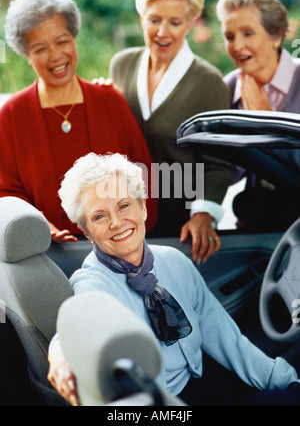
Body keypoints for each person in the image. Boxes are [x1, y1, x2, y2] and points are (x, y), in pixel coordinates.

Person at [48, 152, 300, 406]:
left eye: (124, 205)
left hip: (206, 377)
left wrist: (285, 379)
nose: (116, 222)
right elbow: (75, 325)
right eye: (99, 216)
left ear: (143, 208)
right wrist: (59, 354)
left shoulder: (174, 260)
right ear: (87, 232)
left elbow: (226, 337)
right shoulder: (94, 283)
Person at [0, 0, 157, 243]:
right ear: (26, 55)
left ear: (74, 39)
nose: (55, 56)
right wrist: (40, 227)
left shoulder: (109, 100)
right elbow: (6, 192)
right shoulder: (13, 114)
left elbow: (144, 174)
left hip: (120, 246)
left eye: (62, 41)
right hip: (45, 252)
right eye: (40, 49)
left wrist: (127, 231)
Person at [107, 0, 233, 264]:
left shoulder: (208, 81)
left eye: (174, 22)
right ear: (141, 19)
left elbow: (219, 165)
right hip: (124, 217)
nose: (162, 31)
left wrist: (203, 213)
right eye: (154, 20)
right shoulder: (121, 65)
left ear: (190, 23)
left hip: (178, 220)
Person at [216, 0, 300, 230]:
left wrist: (267, 123)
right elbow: (225, 172)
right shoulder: (230, 86)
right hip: (254, 227)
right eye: (229, 37)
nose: (237, 46)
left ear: (275, 35)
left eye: (247, 33)